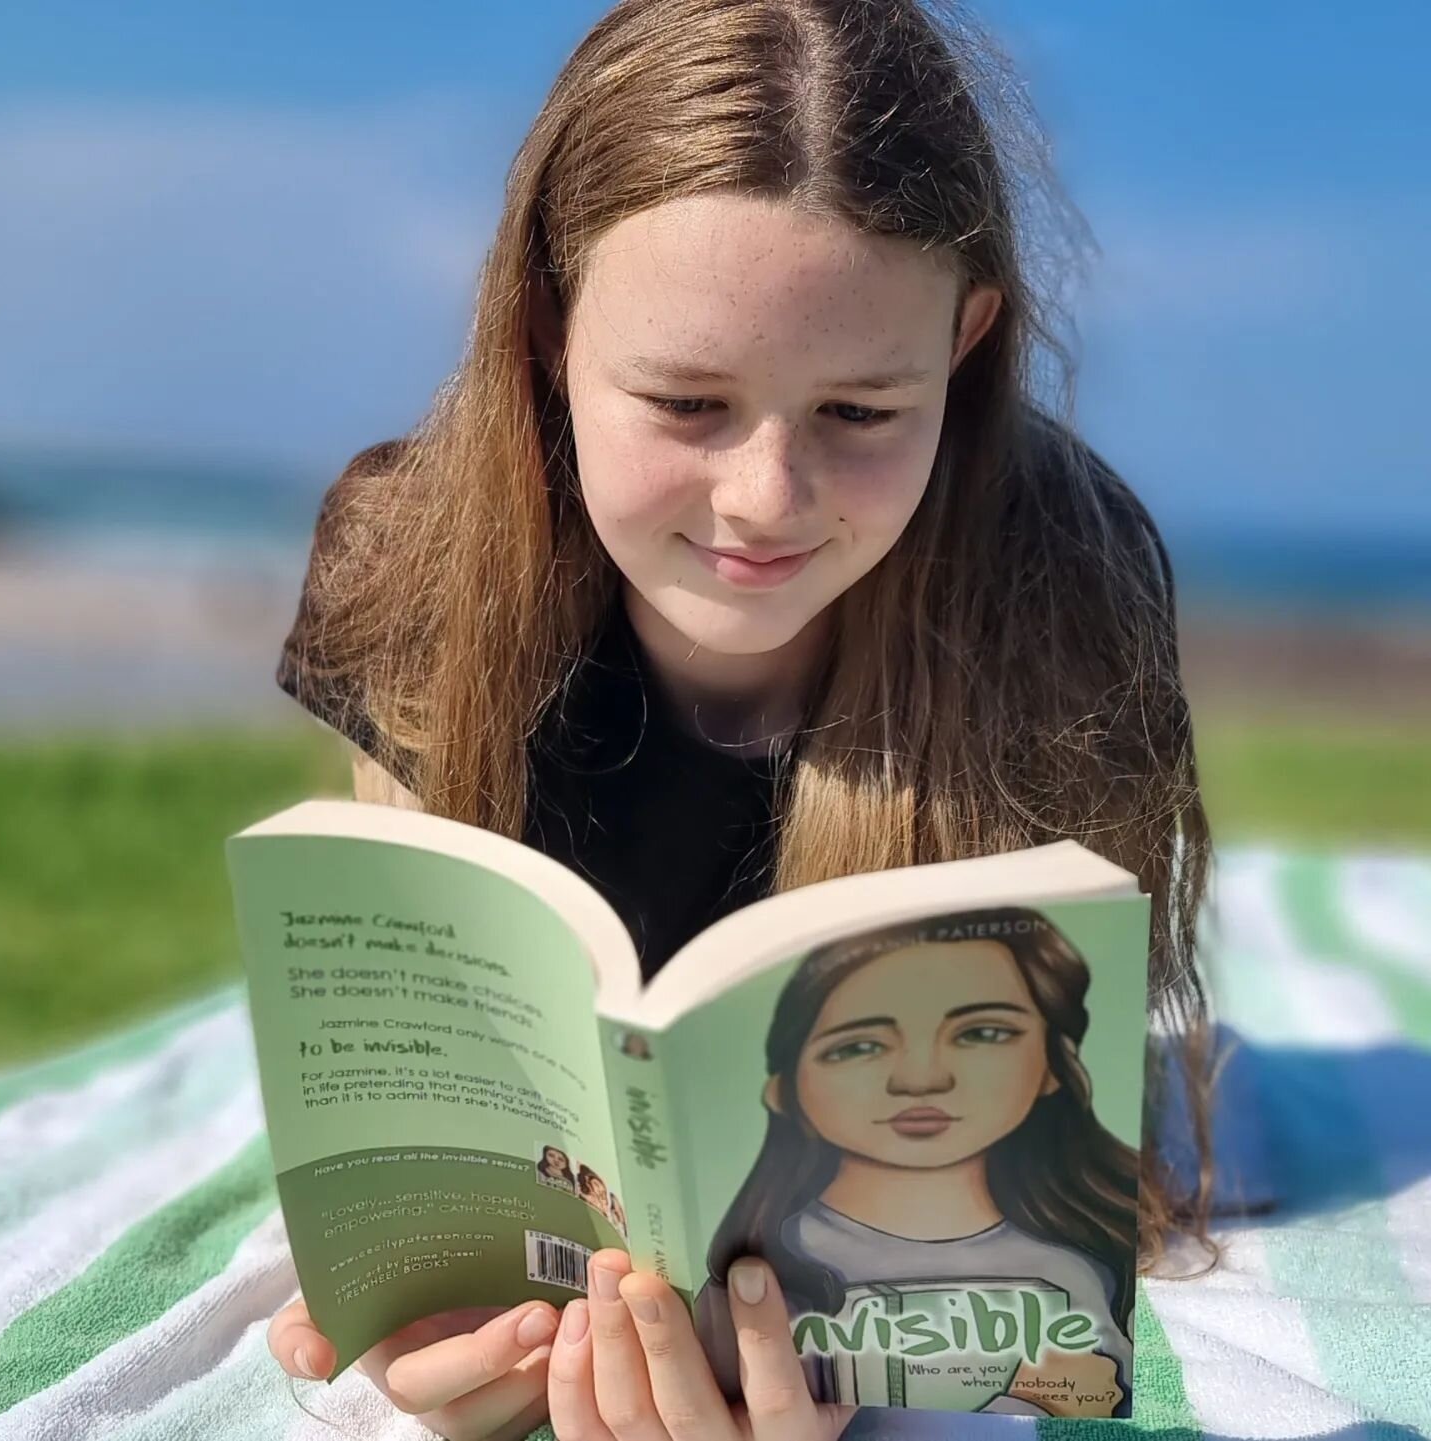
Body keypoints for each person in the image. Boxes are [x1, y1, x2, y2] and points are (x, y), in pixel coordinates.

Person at [265, 0, 1220, 1435]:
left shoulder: (1063, 595)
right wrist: (436, 1323)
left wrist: (852, 1359)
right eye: (689, 401)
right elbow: (433, 1109)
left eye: (858, 412)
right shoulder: (412, 563)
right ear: (547, 331)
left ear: (965, 344)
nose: (765, 500)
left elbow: (1047, 1179)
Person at [694, 906, 1137, 1420]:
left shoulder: (1085, 1266)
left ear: (1054, 1066)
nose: (921, 1079)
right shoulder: (754, 1273)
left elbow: (1107, 1402)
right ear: (784, 1091)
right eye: (860, 1045)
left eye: (982, 1033)